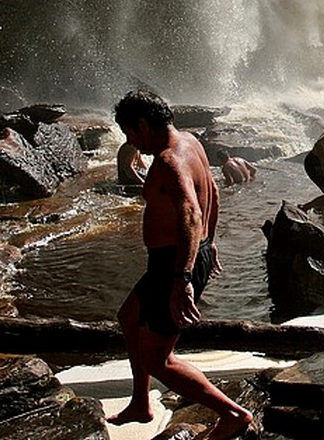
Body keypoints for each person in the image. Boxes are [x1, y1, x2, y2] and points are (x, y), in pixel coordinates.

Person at [109, 90, 252, 438]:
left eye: (130, 133)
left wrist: (182, 278)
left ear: (143, 125)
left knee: (160, 360)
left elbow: (190, 212)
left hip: (175, 264)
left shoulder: (169, 161)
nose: (131, 143)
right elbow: (213, 191)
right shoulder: (191, 142)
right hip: (181, 257)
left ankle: (233, 415)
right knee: (129, 317)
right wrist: (211, 241)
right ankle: (141, 404)